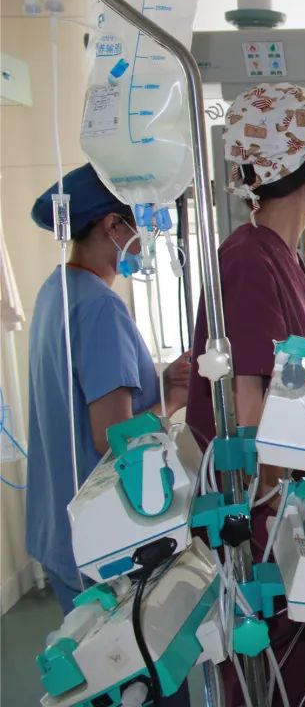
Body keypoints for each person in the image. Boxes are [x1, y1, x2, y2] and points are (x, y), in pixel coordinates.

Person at [185, 82, 305, 706]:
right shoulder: (247, 262)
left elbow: (298, 415)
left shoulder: (283, 260)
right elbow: (252, 433)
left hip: (286, 522)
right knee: (276, 685)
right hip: (263, 543)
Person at [26, 164, 191, 704]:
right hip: (103, 540)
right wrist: (172, 403)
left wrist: (160, 385)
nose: (146, 234)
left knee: (92, 679)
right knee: (134, 680)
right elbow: (112, 439)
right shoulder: (101, 306)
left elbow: (80, 402)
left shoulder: (56, 292)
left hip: (59, 529)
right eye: (140, 221)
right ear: (113, 226)